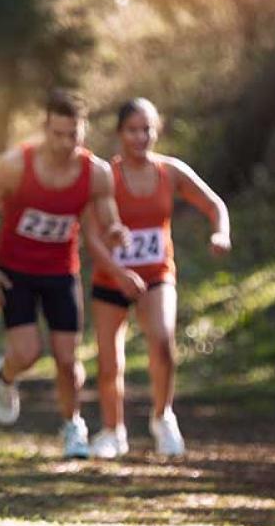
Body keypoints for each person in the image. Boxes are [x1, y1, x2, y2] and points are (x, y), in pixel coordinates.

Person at [0, 89, 129, 458]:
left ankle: (73, 426)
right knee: (27, 353)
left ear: (83, 131)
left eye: (72, 134)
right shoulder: (15, 165)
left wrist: (116, 231)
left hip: (61, 272)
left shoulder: (97, 173)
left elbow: (110, 220)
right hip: (15, 272)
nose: (64, 142)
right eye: (57, 134)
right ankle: (4, 377)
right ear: (45, 129)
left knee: (67, 359)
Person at [85, 98, 230, 459]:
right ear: (120, 133)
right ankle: (112, 431)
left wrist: (221, 233)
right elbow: (89, 235)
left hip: (157, 274)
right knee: (109, 362)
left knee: (163, 343)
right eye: (132, 130)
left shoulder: (171, 171)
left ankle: (163, 417)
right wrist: (118, 273)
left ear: (157, 130)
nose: (140, 137)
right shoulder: (105, 175)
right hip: (110, 277)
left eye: (147, 129)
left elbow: (215, 205)